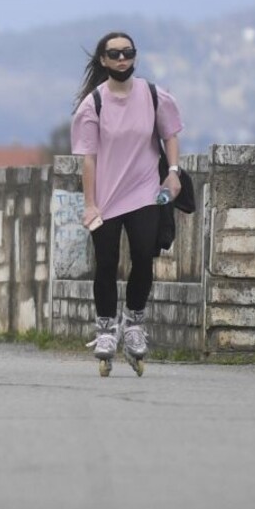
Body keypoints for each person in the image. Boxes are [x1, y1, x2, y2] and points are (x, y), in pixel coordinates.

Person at [70, 31, 184, 377]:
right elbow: (88, 160)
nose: (122, 59)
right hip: (105, 197)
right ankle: (106, 330)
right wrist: (90, 205)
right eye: (114, 54)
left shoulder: (153, 95)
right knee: (106, 263)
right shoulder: (93, 105)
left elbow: (170, 134)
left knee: (144, 255)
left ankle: (134, 322)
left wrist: (174, 173)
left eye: (127, 53)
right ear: (103, 60)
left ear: (134, 57)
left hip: (145, 192)